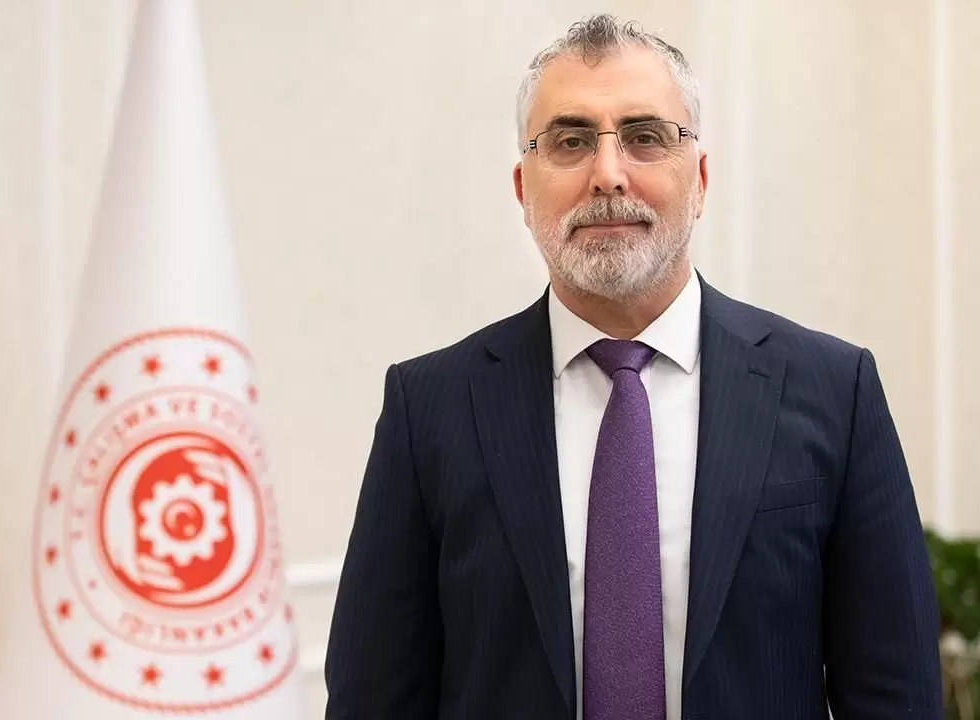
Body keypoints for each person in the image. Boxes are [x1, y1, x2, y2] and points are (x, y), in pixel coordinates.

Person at [323, 13, 942, 720]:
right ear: (523, 190)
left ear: (699, 180)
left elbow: (896, 695)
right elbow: (374, 698)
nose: (608, 174)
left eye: (645, 137)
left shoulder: (835, 390)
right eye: (571, 141)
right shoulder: (428, 407)